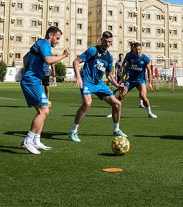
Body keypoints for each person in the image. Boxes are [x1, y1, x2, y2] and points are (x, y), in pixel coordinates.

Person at [20, 26, 71, 154]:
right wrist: (64, 55)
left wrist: (32, 69)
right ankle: (28, 141)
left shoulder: (40, 44)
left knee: (44, 111)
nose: (58, 41)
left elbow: (25, 58)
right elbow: (48, 60)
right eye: (57, 38)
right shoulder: (44, 43)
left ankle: (36, 140)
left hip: (33, 80)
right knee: (44, 110)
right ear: (50, 35)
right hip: (31, 81)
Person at [69, 31, 127, 142]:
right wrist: (79, 77)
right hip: (87, 82)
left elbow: (108, 75)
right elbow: (76, 61)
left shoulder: (109, 57)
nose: (107, 43)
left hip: (99, 84)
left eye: (109, 42)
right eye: (105, 41)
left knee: (117, 104)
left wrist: (117, 85)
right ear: (101, 40)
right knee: (87, 104)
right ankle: (73, 131)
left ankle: (116, 129)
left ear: (111, 42)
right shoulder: (93, 50)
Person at [118, 43, 157, 118]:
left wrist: (150, 83)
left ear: (141, 49)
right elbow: (126, 67)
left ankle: (149, 113)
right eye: (136, 49)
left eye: (139, 49)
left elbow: (149, 71)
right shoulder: (130, 56)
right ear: (133, 49)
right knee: (121, 95)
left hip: (140, 81)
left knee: (143, 96)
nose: (138, 51)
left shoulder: (145, 58)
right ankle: (114, 112)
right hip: (130, 81)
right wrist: (122, 78)